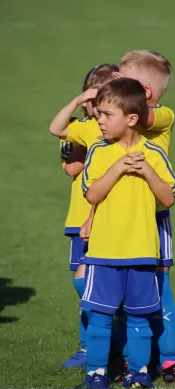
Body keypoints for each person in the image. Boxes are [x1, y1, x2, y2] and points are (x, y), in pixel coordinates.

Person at [73, 78, 175, 389]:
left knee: (139, 319)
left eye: (107, 115)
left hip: (142, 250)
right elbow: (92, 195)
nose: (99, 120)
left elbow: (169, 196)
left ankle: (138, 372)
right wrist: (118, 167)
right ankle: (95, 374)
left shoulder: (154, 155)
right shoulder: (99, 153)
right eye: (99, 114)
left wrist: (146, 171)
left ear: (131, 119)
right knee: (100, 317)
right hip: (104, 252)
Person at [114, 50, 175, 384]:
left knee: (160, 285)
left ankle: (170, 358)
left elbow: (139, 117)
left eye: (121, 78)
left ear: (143, 92)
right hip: (122, 215)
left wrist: (112, 95)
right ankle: (134, 358)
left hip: (154, 216)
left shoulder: (164, 115)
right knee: (127, 289)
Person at [50, 64, 119, 367]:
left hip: (114, 216)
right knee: (85, 287)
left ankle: (113, 341)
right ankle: (88, 346)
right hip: (82, 218)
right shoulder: (81, 127)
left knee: (112, 282)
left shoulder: (123, 129)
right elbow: (71, 168)